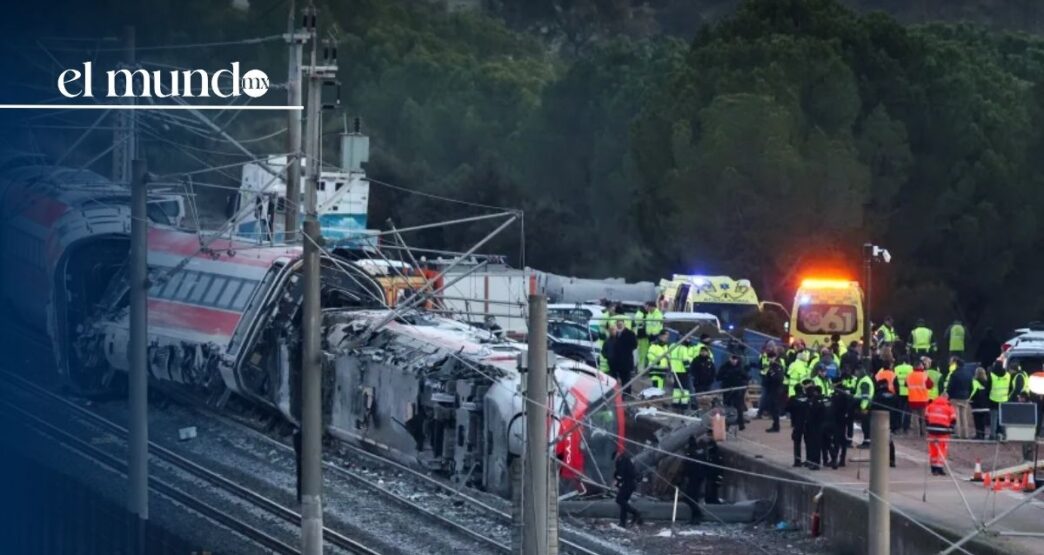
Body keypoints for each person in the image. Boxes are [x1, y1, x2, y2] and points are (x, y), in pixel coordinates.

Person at [925, 393, 957, 475]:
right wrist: (951, 429)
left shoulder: (930, 405)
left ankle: (933, 468)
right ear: (947, 398)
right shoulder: (949, 407)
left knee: (933, 449)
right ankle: (939, 468)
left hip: (931, 430)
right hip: (943, 431)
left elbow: (926, 417)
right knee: (942, 449)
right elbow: (953, 420)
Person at [870, 379, 898, 467]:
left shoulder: (877, 396)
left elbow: (873, 408)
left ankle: (879, 459)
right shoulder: (893, 396)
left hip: (879, 421)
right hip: (891, 422)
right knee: (889, 441)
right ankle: (891, 460)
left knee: (879, 441)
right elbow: (897, 411)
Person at [718, 353, 748, 431]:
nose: (734, 361)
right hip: (727, 390)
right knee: (727, 407)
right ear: (729, 358)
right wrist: (726, 376)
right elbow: (718, 377)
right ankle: (726, 425)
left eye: (736, 359)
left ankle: (741, 423)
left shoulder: (740, 367)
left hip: (737, 390)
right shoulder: (725, 367)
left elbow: (746, 377)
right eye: (733, 359)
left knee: (739, 407)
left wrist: (742, 385)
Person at [824, 384, 852, 469]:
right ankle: (842, 459)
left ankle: (834, 459)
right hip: (843, 420)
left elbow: (832, 409)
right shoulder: (847, 397)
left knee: (835, 440)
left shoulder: (836, 397)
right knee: (842, 440)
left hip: (836, 420)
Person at [681, 437, 708, 524]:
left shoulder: (690, 452)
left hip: (693, 477)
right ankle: (695, 517)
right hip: (700, 477)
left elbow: (687, 466)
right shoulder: (701, 451)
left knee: (689, 498)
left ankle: (697, 515)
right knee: (694, 497)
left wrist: (684, 475)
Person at [787, 379, 812, 467]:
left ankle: (797, 461)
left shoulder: (793, 399)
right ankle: (809, 460)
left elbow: (787, 409)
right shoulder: (807, 398)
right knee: (808, 442)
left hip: (797, 423)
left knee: (797, 442)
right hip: (807, 423)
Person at [608, 319, 638, 394]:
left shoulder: (630, 333)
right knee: (615, 378)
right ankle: (615, 393)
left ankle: (627, 394)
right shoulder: (616, 333)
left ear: (624, 324)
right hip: (616, 361)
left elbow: (634, 345)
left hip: (626, 360)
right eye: (618, 324)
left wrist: (626, 349)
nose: (619, 326)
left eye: (620, 324)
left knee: (626, 379)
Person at [613, 452, 642, 527]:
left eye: (615, 458)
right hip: (629, 483)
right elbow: (618, 474)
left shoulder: (623, 460)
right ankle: (622, 522)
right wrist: (617, 481)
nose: (615, 460)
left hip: (628, 484)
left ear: (617, 456)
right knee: (623, 503)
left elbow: (621, 474)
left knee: (619, 500)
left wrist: (617, 482)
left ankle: (635, 513)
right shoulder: (624, 460)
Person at [905, 360, 933, 438]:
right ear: (920, 366)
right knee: (923, 418)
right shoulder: (924, 375)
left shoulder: (909, 375)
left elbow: (906, 384)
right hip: (923, 399)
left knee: (915, 417)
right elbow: (930, 385)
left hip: (912, 399)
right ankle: (923, 433)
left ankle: (916, 433)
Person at [762, 350, 784, 432]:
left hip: (776, 390)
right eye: (769, 358)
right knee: (772, 408)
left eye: (771, 357)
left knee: (775, 409)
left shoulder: (777, 366)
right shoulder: (772, 366)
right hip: (771, 390)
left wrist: (771, 375)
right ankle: (775, 425)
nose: (770, 359)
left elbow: (779, 378)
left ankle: (776, 426)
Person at [804, 385, 826, 470]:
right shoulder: (823, 400)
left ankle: (815, 463)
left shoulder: (814, 401)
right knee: (819, 445)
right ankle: (819, 461)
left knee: (814, 445)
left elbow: (812, 413)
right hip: (821, 424)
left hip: (814, 425)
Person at [988, 361, 1010, 440]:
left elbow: (988, 387)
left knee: (993, 418)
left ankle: (992, 435)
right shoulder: (1007, 375)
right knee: (1003, 418)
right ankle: (1004, 435)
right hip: (1004, 399)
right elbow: (1010, 387)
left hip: (994, 399)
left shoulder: (992, 375)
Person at [855, 368, 875, 448]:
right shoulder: (866, 379)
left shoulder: (864, 381)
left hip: (865, 406)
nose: (856, 374)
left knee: (865, 425)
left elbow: (865, 396)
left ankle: (867, 442)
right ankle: (867, 441)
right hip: (867, 405)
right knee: (866, 424)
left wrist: (855, 398)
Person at [893, 355, 914, 434]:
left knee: (899, 410)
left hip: (899, 392)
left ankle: (899, 426)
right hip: (909, 392)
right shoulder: (911, 368)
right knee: (908, 411)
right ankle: (906, 427)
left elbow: (894, 381)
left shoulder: (896, 368)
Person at [970, 367, 991, 440]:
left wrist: (969, 399)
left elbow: (972, 392)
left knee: (977, 420)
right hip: (985, 405)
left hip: (977, 404)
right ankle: (983, 434)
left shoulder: (975, 381)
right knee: (982, 421)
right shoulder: (987, 382)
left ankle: (978, 434)